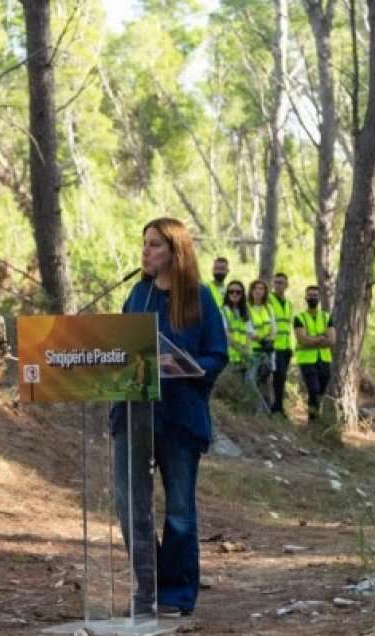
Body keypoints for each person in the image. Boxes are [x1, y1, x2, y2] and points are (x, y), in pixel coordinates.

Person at [111, 217, 228, 617]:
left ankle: (176, 594)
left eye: (155, 245)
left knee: (178, 510)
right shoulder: (137, 295)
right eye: (144, 243)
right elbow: (119, 350)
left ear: (176, 251)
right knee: (130, 505)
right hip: (132, 414)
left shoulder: (199, 297)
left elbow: (218, 354)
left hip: (179, 416)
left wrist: (184, 365)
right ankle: (149, 587)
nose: (145, 251)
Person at [293, 286, 335, 422]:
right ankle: (313, 421)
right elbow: (302, 340)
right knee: (313, 389)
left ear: (319, 298)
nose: (313, 298)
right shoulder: (299, 317)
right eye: (310, 296)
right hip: (306, 360)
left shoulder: (326, 317)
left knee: (320, 392)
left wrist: (312, 339)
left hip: (324, 360)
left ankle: (315, 414)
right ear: (306, 298)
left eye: (315, 295)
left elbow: (332, 340)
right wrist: (321, 337)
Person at [268, 272, 294, 417]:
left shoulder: (289, 304)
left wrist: (290, 347)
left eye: (281, 282)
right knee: (278, 376)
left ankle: (278, 406)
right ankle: (275, 406)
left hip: (286, 346)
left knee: (282, 378)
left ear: (286, 285)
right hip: (274, 345)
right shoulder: (269, 299)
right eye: (276, 282)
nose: (278, 285)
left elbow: (287, 327)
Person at [221, 280, 254, 369]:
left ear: (242, 294)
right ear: (227, 294)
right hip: (228, 360)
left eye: (238, 292)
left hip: (244, 361)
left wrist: (247, 353)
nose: (234, 294)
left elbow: (249, 334)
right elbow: (225, 335)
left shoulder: (245, 313)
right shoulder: (223, 311)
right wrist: (242, 351)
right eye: (231, 292)